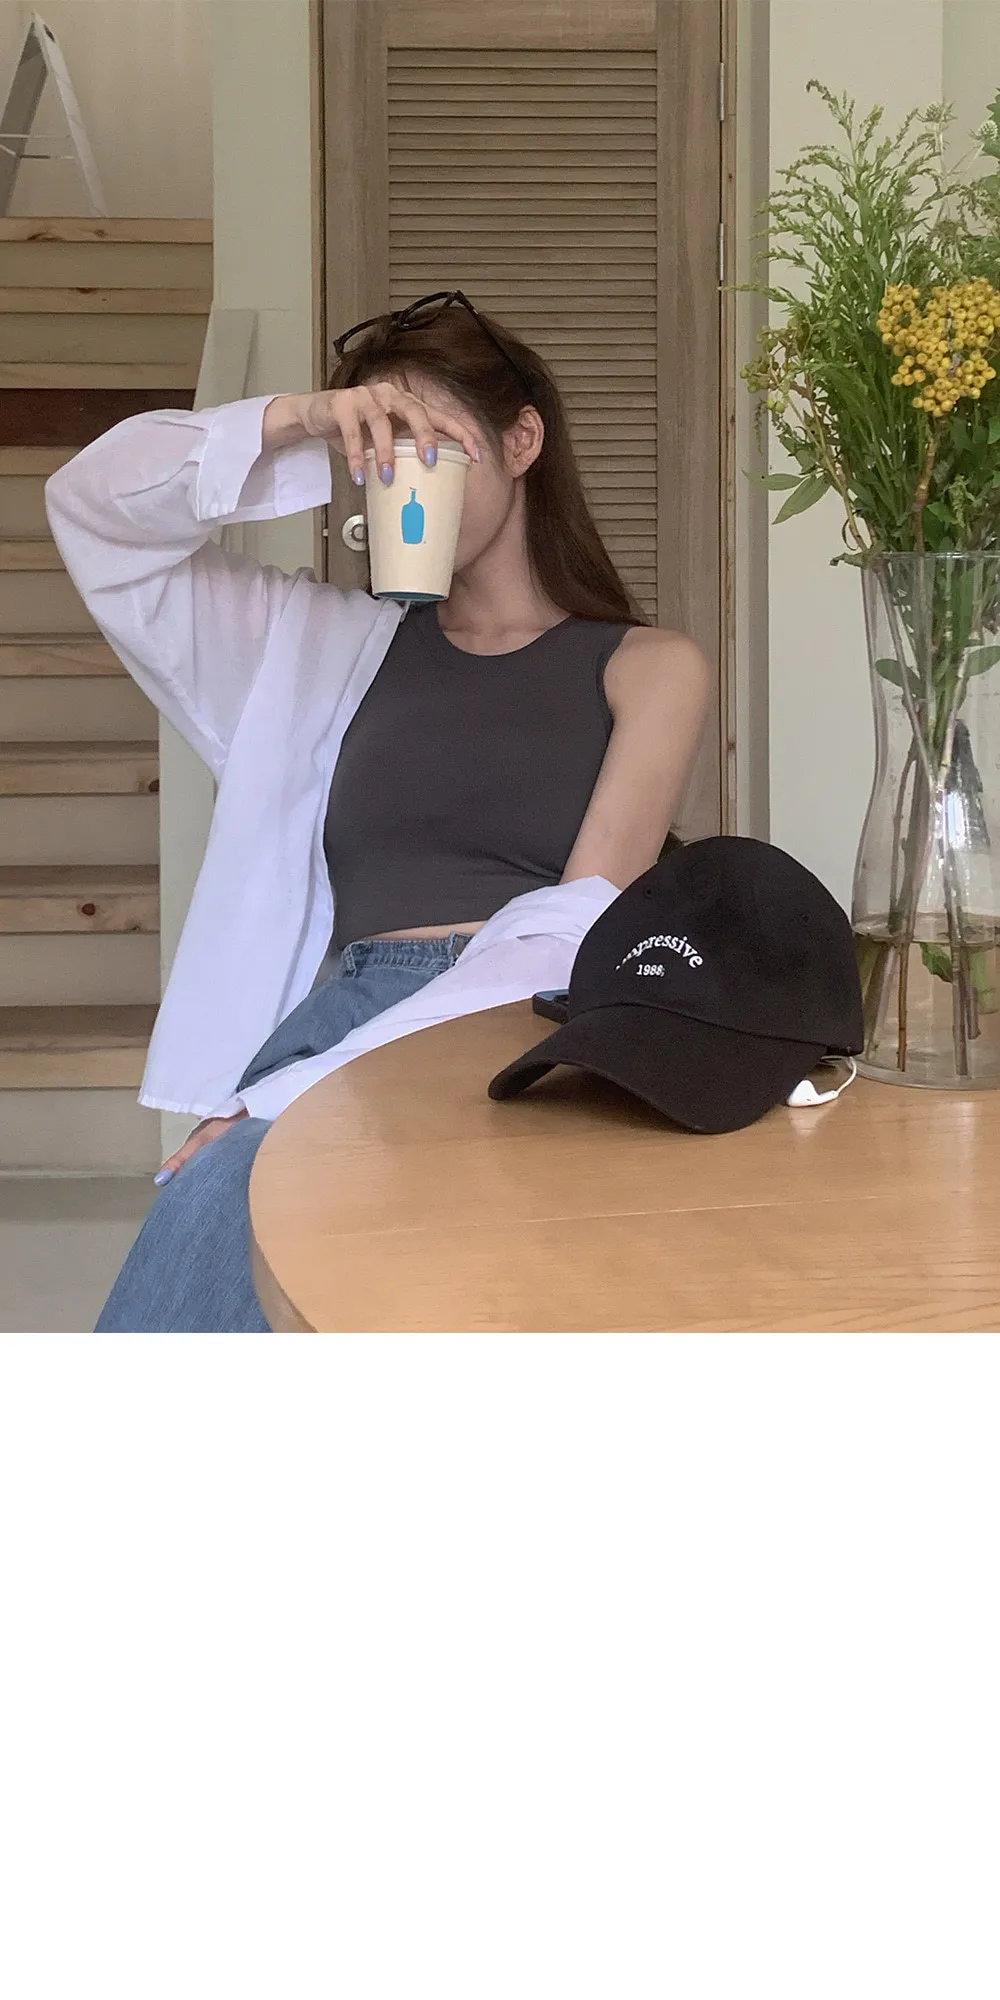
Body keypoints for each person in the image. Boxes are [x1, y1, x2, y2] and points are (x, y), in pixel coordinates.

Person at [46, 292, 709, 1330]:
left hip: (514, 1025)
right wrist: (300, 423)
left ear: (521, 440)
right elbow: (91, 509)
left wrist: (283, 1094)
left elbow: (570, 927)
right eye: (379, 449)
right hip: (343, 1016)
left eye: (429, 439)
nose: (401, 471)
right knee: (225, 1210)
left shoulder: (648, 666)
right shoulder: (310, 649)